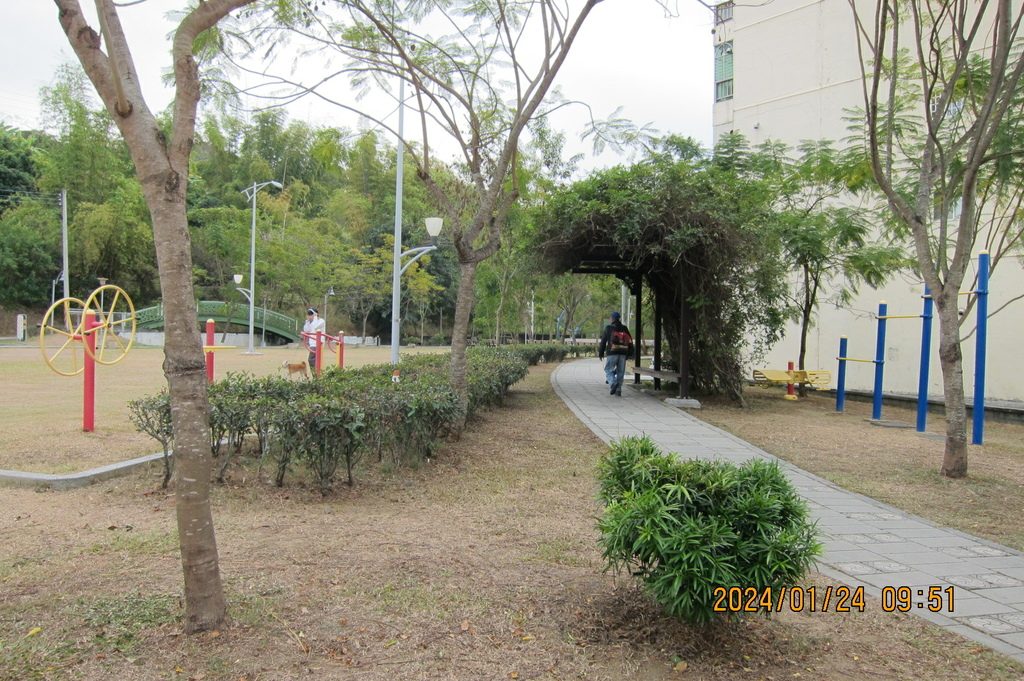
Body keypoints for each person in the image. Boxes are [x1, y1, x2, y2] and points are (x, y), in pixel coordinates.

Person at [598, 311, 633, 396]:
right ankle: (618, 390)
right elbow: (630, 341)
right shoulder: (624, 328)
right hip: (623, 353)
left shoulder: (608, 328)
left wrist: (601, 353)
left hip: (612, 353)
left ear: (613, 318)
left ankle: (613, 383)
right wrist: (630, 354)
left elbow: (603, 342)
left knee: (608, 369)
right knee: (621, 371)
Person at [303, 308, 326, 372]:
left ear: (316, 314)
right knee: (313, 360)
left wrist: (315, 318)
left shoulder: (321, 321)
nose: (309, 316)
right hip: (312, 344)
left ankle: (316, 374)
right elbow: (306, 330)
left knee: (311, 359)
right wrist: (307, 321)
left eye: (311, 314)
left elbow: (315, 327)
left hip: (318, 343)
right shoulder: (310, 322)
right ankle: (316, 374)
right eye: (308, 314)